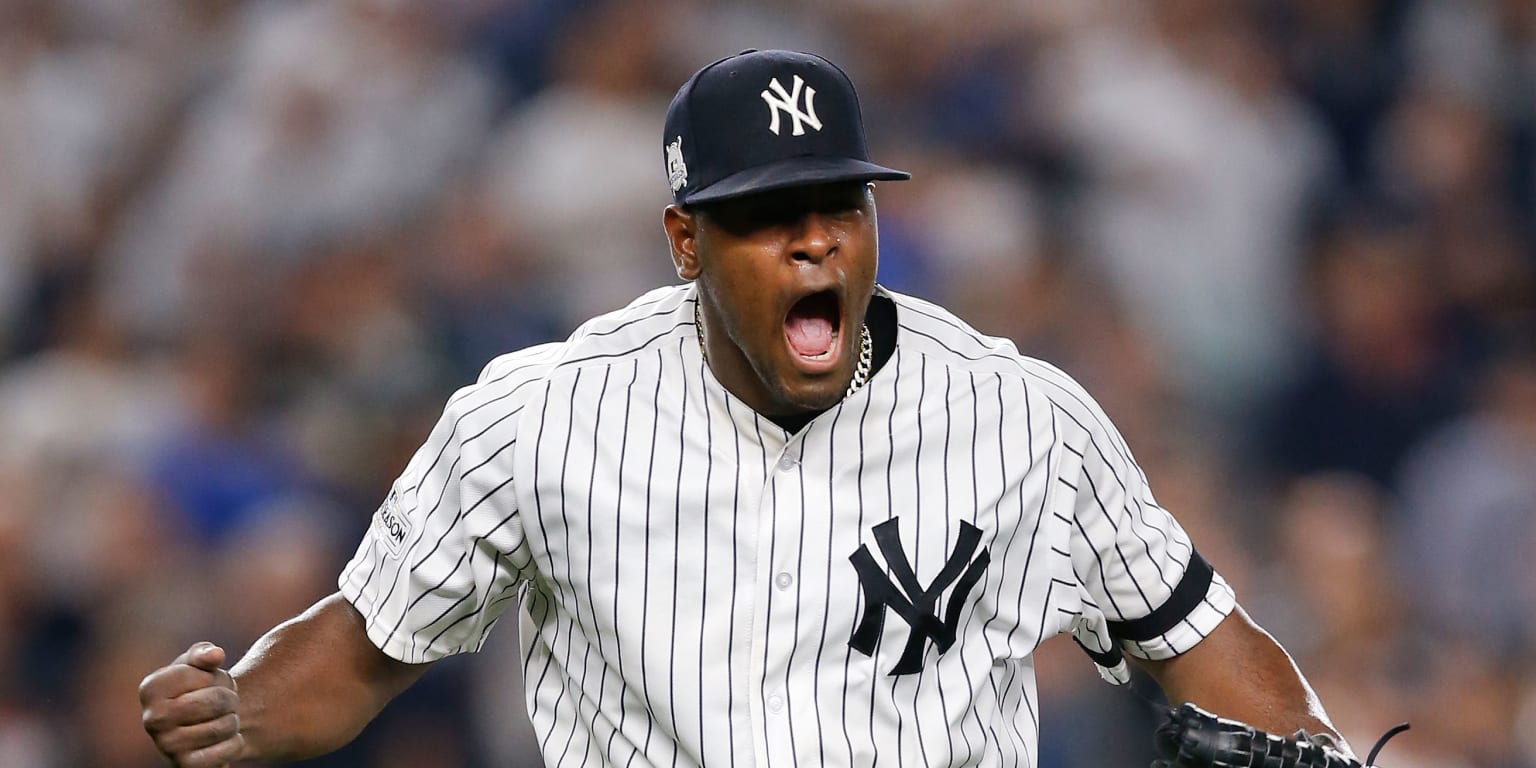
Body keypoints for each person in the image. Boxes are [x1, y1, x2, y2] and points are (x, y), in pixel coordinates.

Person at [140, 49, 1351, 768]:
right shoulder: (536, 420)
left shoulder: (1022, 419)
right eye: (771, 213)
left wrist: (1324, 752)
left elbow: (1203, 645)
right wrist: (242, 709)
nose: (818, 236)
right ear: (686, 239)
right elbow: (362, 647)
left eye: (843, 201)